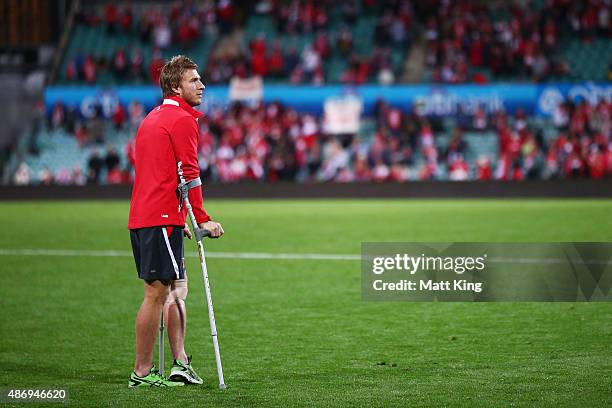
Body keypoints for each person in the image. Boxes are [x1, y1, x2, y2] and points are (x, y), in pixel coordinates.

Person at [127, 55, 224, 387]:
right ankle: (142, 372)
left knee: (176, 290)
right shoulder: (182, 119)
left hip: (150, 215)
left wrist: (178, 214)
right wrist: (202, 218)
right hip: (159, 219)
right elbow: (190, 175)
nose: (202, 84)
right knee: (156, 293)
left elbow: (160, 173)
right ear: (174, 86)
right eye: (194, 80)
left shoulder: (151, 118)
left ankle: (179, 363)